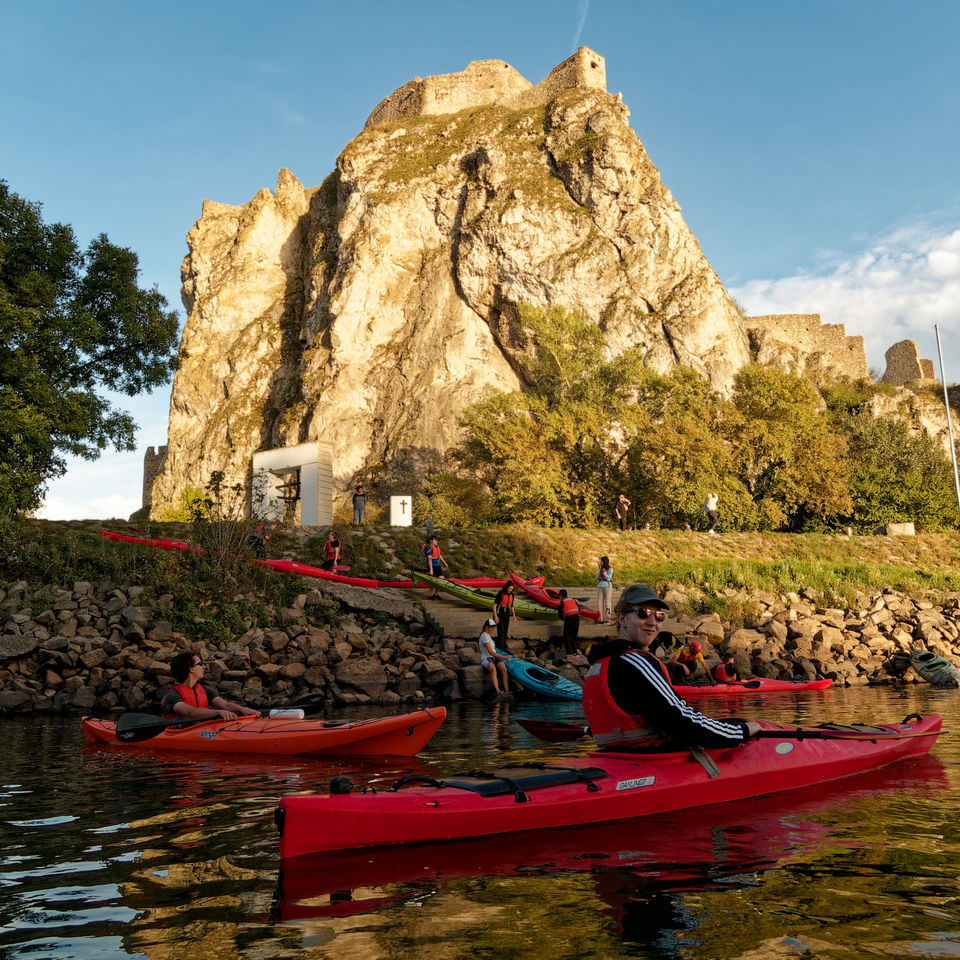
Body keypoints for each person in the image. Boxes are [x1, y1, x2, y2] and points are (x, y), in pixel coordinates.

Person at [583, 584, 761, 750]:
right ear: (622, 618)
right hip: (651, 759)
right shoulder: (636, 662)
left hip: (616, 756)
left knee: (734, 720)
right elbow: (682, 720)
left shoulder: (602, 661)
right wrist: (740, 732)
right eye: (643, 613)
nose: (653, 622)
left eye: (659, 616)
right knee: (739, 724)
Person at [162, 651, 259, 720]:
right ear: (191, 669)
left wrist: (243, 709)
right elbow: (189, 712)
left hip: (201, 729)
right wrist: (218, 712)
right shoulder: (173, 695)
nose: (204, 667)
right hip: (180, 732)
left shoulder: (206, 690)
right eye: (200, 664)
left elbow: (225, 705)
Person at [478, 617, 512, 698]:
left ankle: (507, 692)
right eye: (491, 627)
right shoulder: (484, 636)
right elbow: (491, 652)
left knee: (503, 668)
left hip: (493, 657)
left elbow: (493, 650)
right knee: (493, 669)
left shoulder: (488, 636)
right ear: (487, 627)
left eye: (493, 627)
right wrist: (504, 657)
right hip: (486, 658)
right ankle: (498, 691)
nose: (493, 629)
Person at [558, 588, 581, 655]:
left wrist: (564, 619)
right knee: (573, 637)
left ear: (561, 596)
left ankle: (569, 653)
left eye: (559, 596)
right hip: (577, 619)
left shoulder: (561, 603)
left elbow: (560, 615)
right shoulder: (573, 600)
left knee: (566, 637)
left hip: (569, 620)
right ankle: (575, 653)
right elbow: (579, 609)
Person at [493, 581, 515, 646]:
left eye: (512, 589)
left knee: (505, 629)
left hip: (507, 612)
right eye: (509, 588)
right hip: (500, 612)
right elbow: (494, 606)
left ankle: (503, 644)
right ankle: (500, 645)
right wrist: (495, 616)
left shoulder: (512, 594)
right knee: (501, 629)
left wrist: (514, 614)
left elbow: (512, 605)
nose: (510, 590)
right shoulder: (500, 593)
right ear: (506, 587)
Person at [596, 556, 614, 623]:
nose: (601, 562)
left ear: (604, 562)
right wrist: (599, 569)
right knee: (599, 603)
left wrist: (604, 572)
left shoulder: (610, 569)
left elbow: (609, 578)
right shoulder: (601, 569)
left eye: (602, 561)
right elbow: (597, 577)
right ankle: (601, 619)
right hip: (600, 585)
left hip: (607, 586)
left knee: (607, 603)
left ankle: (608, 619)